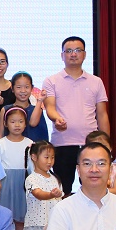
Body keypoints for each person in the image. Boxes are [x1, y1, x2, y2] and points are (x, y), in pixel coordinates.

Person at [42, 36, 109, 196]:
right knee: (62, 190)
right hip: (62, 143)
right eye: (69, 51)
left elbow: (102, 114)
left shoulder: (96, 81)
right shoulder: (51, 81)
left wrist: (106, 144)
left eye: (78, 50)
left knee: (93, 187)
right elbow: (50, 107)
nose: (73, 54)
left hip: (91, 143)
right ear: (62, 55)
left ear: (84, 54)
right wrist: (57, 118)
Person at [0, 107, 34, 230]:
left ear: (25, 123)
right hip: (6, 183)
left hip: (23, 183)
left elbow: (32, 167)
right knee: (6, 219)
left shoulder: (30, 143)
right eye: (13, 121)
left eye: (20, 121)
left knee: (21, 220)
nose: (17, 125)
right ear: (5, 123)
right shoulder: (0, 143)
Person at [1, 72, 48, 143]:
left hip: (34, 148)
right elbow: (1, 134)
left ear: (32, 88)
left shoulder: (37, 109)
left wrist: (40, 100)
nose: (23, 91)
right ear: (12, 88)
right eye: (18, 87)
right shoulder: (6, 109)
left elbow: (33, 123)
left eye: (27, 87)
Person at [86, 131, 116, 196]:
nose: (100, 150)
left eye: (104, 146)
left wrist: (95, 192)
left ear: (110, 148)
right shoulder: (86, 168)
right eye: (96, 147)